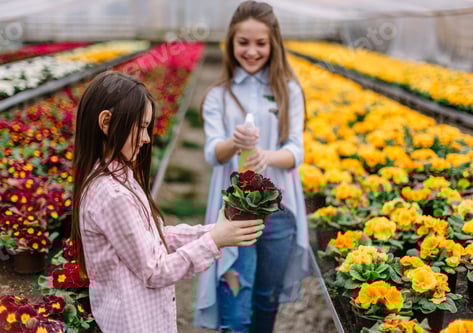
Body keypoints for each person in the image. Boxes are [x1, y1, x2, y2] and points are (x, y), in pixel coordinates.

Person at [70, 71, 265, 333]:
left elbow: (154, 239)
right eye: (140, 127)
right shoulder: (112, 195)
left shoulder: (120, 176)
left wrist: (213, 232)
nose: (147, 138)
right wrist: (215, 240)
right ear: (106, 122)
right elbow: (155, 271)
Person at [194, 1, 310, 332]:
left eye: (261, 43)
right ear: (231, 43)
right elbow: (212, 152)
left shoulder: (288, 91)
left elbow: (296, 151)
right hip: (235, 213)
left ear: (274, 43)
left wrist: (266, 156)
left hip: (279, 212)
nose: (252, 51)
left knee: (265, 298)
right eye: (243, 42)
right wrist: (235, 143)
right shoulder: (219, 95)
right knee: (234, 297)